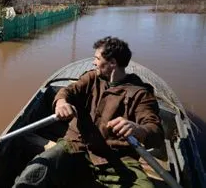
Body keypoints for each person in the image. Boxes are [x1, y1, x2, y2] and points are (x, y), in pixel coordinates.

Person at [12, 36, 164, 188]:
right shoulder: (91, 78)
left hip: (117, 158)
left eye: (97, 58)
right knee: (35, 172)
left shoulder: (141, 94)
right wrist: (61, 102)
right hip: (77, 146)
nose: (94, 62)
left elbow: (156, 132)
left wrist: (138, 129)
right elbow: (68, 91)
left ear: (112, 63)